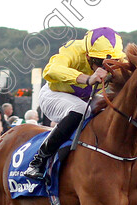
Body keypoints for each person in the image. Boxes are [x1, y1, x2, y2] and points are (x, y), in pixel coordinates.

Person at [24, 27, 125, 179]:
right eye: (99, 62)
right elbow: (51, 70)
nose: (103, 68)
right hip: (54, 94)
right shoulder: (72, 48)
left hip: (86, 97)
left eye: (110, 63)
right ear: (88, 56)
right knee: (81, 109)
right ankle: (39, 160)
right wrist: (87, 78)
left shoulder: (120, 58)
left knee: (112, 108)